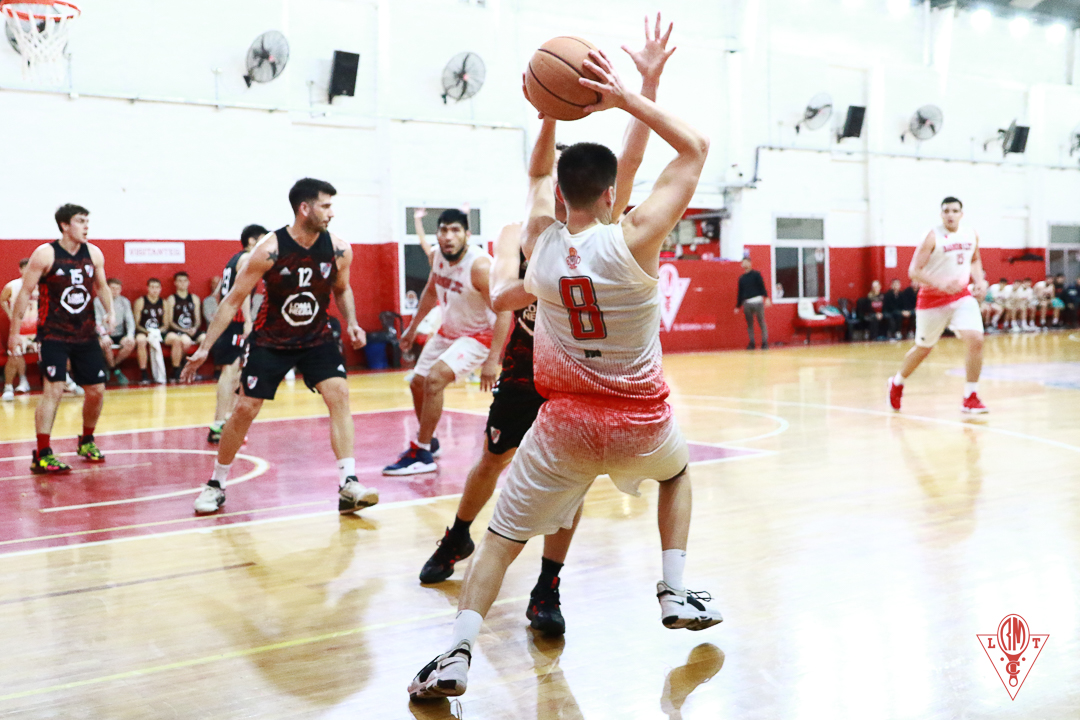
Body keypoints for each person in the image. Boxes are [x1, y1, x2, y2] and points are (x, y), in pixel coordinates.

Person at [409, 46, 722, 702]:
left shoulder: (541, 251)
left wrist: (546, 113)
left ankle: (458, 651)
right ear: (612, 195)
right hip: (643, 419)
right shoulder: (634, 237)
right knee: (677, 474)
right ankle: (673, 586)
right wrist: (630, 95)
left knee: (499, 539)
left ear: (560, 194)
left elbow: (534, 191)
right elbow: (692, 149)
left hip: (565, 424)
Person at [181, 178, 378, 516]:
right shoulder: (269, 250)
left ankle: (348, 482)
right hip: (271, 340)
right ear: (305, 208)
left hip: (316, 337)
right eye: (326, 206)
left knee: (340, 394)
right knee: (245, 408)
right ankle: (216, 483)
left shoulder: (339, 249)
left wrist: (354, 323)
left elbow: (341, 289)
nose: (332, 213)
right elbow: (232, 301)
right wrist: (205, 347)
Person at [382, 210, 512, 476]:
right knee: (417, 383)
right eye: (443, 230)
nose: (448, 236)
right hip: (448, 332)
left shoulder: (479, 267)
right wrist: (411, 329)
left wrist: (492, 360)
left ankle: (421, 452)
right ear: (437, 234)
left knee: (435, 379)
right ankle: (429, 441)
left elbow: (504, 311)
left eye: (455, 230)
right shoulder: (436, 256)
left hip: (478, 336)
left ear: (467, 235)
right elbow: (431, 291)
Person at [7, 204, 113, 473]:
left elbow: (101, 286)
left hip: (85, 334)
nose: (86, 226)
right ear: (65, 225)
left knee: (97, 391)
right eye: (80, 221)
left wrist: (110, 312)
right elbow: (24, 293)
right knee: (53, 389)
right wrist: (15, 332)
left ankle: (86, 440)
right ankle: (42, 453)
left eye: (88, 220)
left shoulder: (94, 253)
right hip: (53, 334)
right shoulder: (45, 254)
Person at [888, 197, 988, 414]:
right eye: (946, 211)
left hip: (961, 296)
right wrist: (941, 284)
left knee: (976, 339)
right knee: (923, 348)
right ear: (941, 214)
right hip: (932, 300)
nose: (950, 215)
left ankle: (970, 396)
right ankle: (897, 382)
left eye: (954, 211)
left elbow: (974, 260)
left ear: (961, 213)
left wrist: (979, 281)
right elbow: (914, 271)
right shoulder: (932, 236)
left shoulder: (971, 234)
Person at [206, 224, 266, 443]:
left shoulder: (232, 260)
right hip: (235, 323)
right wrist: (248, 320)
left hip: (229, 321)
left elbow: (217, 293)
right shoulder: (246, 260)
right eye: (262, 239)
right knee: (230, 372)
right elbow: (242, 293)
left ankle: (225, 422)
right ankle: (218, 424)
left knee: (234, 373)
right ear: (252, 241)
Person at [2, 258, 36, 400]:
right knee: (14, 356)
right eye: (25, 268)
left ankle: (66, 380)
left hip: (38, 329)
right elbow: (2, 299)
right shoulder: (13, 285)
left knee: (56, 352)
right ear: (20, 270)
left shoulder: (40, 284)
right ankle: (10, 386)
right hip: (19, 329)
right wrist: (10, 314)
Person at [163, 271, 205, 382]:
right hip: (178, 330)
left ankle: (195, 369)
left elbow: (198, 320)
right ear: (175, 283)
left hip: (193, 330)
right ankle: (178, 369)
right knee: (184, 341)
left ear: (188, 282)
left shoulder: (194, 298)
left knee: (205, 340)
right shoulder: (171, 299)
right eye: (180, 281)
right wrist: (183, 330)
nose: (182, 283)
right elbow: (170, 321)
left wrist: (194, 328)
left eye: (185, 281)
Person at [94, 278, 136, 385]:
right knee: (106, 345)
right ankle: (115, 370)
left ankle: (111, 366)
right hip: (104, 333)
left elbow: (130, 321)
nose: (115, 291)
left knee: (130, 343)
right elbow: (97, 322)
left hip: (119, 333)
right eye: (113, 288)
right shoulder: (98, 301)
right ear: (107, 289)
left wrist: (130, 335)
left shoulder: (124, 301)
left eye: (118, 289)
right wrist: (104, 336)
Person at [134, 278, 166, 384]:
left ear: (160, 289)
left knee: (176, 339)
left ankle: (175, 371)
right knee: (141, 340)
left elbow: (166, 324)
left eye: (157, 287)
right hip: (144, 331)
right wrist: (148, 332)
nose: (154, 290)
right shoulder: (141, 301)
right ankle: (144, 373)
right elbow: (137, 324)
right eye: (152, 287)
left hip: (159, 332)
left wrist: (157, 331)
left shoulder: (164, 303)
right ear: (147, 288)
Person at [734, 256, 770, 349]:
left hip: (758, 301)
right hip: (747, 303)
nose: (744, 264)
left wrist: (766, 297)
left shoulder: (756, 274)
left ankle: (765, 342)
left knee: (761, 322)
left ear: (750, 263)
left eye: (746, 262)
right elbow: (740, 293)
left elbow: (762, 287)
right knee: (750, 324)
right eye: (743, 262)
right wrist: (738, 306)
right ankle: (752, 343)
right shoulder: (741, 278)